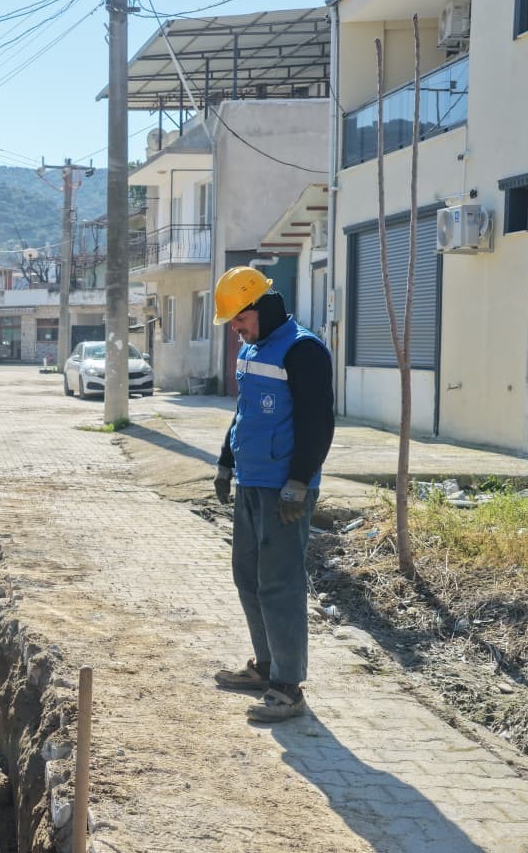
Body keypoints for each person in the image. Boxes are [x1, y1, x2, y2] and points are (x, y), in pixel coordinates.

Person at [210, 266, 335, 723]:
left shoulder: (302, 350)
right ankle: (265, 668)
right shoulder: (253, 349)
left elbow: (319, 423)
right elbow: (244, 414)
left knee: (280, 584)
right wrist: (226, 461)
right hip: (250, 480)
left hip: (285, 490)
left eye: (239, 320)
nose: (236, 330)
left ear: (257, 308)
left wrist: (299, 481)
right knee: (248, 576)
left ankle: (288, 686)